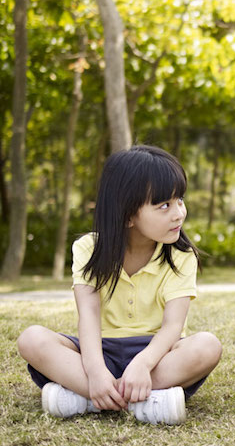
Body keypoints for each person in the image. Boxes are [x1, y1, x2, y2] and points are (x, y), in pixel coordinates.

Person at [17, 145, 222, 425]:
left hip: (157, 357)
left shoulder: (181, 256)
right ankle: (137, 399)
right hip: (101, 349)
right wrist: (96, 370)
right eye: (164, 205)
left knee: (207, 346)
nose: (179, 213)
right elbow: (88, 316)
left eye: (180, 200)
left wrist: (143, 364)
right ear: (127, 215)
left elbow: (173, 327)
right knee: (31, 339)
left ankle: (89, 399)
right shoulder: (88, 248)